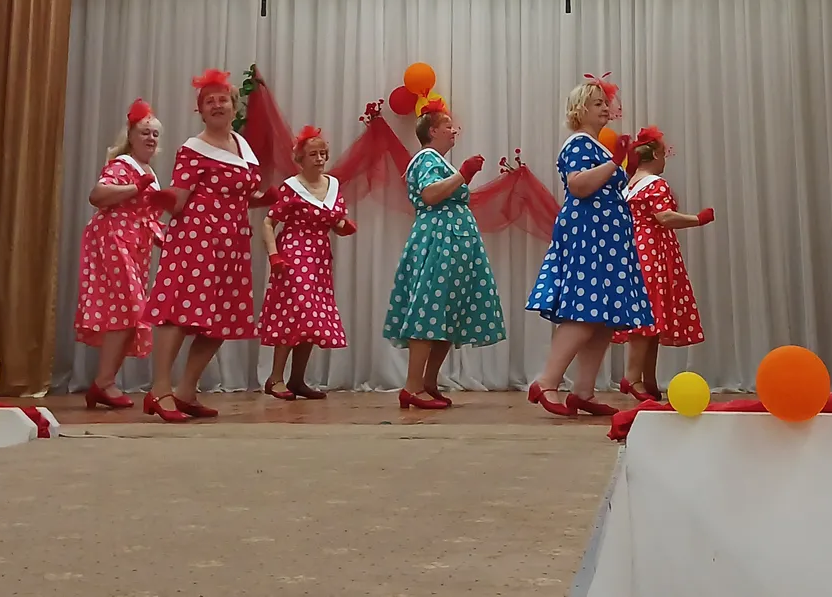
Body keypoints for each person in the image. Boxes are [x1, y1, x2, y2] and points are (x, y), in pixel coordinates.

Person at [143, 70, 283, 422]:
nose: (217, 105)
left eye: (223, 99)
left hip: (232, 243)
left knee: (220, 320)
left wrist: (263, 198)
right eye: (209, 101)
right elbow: (179, 200)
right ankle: (160, 389)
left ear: (234, 106)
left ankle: (186, 391)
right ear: (201, 111)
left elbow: (237, 195)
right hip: (195, 241)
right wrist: (160, 200)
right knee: (177, 313)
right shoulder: (193, 149)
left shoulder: (242, 146)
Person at [526, 78, 653, 417]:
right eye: (597, 103)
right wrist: (616, 162)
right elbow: (578, 186)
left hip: (605, 237)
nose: (605, 108)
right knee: (584, 311)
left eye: (605, 103)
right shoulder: (578, 144)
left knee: (602, 318)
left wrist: (623, 165)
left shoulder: (595, 148)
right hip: (589, 234)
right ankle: (547, 381)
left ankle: (583, 391)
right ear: (580, 110)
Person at [383, 97, 506, 409]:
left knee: (446, 312)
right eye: (447, 126)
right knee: (429, 309)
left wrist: (462, 175)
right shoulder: (426, 159)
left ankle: (428, 382)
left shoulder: (439, 162)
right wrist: (463, 174)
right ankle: (412, 387)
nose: (454, 131)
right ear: (432, 131)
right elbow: (430, 194)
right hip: (439, 240)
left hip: (453, 242)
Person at [74, 98, 173, 410]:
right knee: (129, 309)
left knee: (128, 313)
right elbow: (97, 196)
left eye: (155, 134)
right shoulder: (123, 165)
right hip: (114, 240)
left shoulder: (148, 171)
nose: (151, 138)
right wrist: (135, 188)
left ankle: (104, 382)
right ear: (130, 135)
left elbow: (148, 216)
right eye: (145, 132)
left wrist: (168, 240)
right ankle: (103, 382)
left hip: (135, 245)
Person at [614, 126, 713, 402]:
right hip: (653, 252)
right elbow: (664, 217)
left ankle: (648, 378)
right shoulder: (656, 184)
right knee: (647, 317)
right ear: (657, 155)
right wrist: (698, 219)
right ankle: (632, 377)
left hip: (635, 251)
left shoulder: (629, 186)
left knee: (650, 317)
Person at [259, 126, 357, 400]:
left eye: (323, 153)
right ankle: (275, 378)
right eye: (313, 154)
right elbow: (268, 222)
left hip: (320, 257)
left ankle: (297, 379)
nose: (319, 158)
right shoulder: (291, 187)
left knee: (312, 318)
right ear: (300, 158)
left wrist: (343, 226)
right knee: (294, 312)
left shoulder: (332, 185)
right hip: (293, 253)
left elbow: (334, 221)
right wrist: (274, 255)